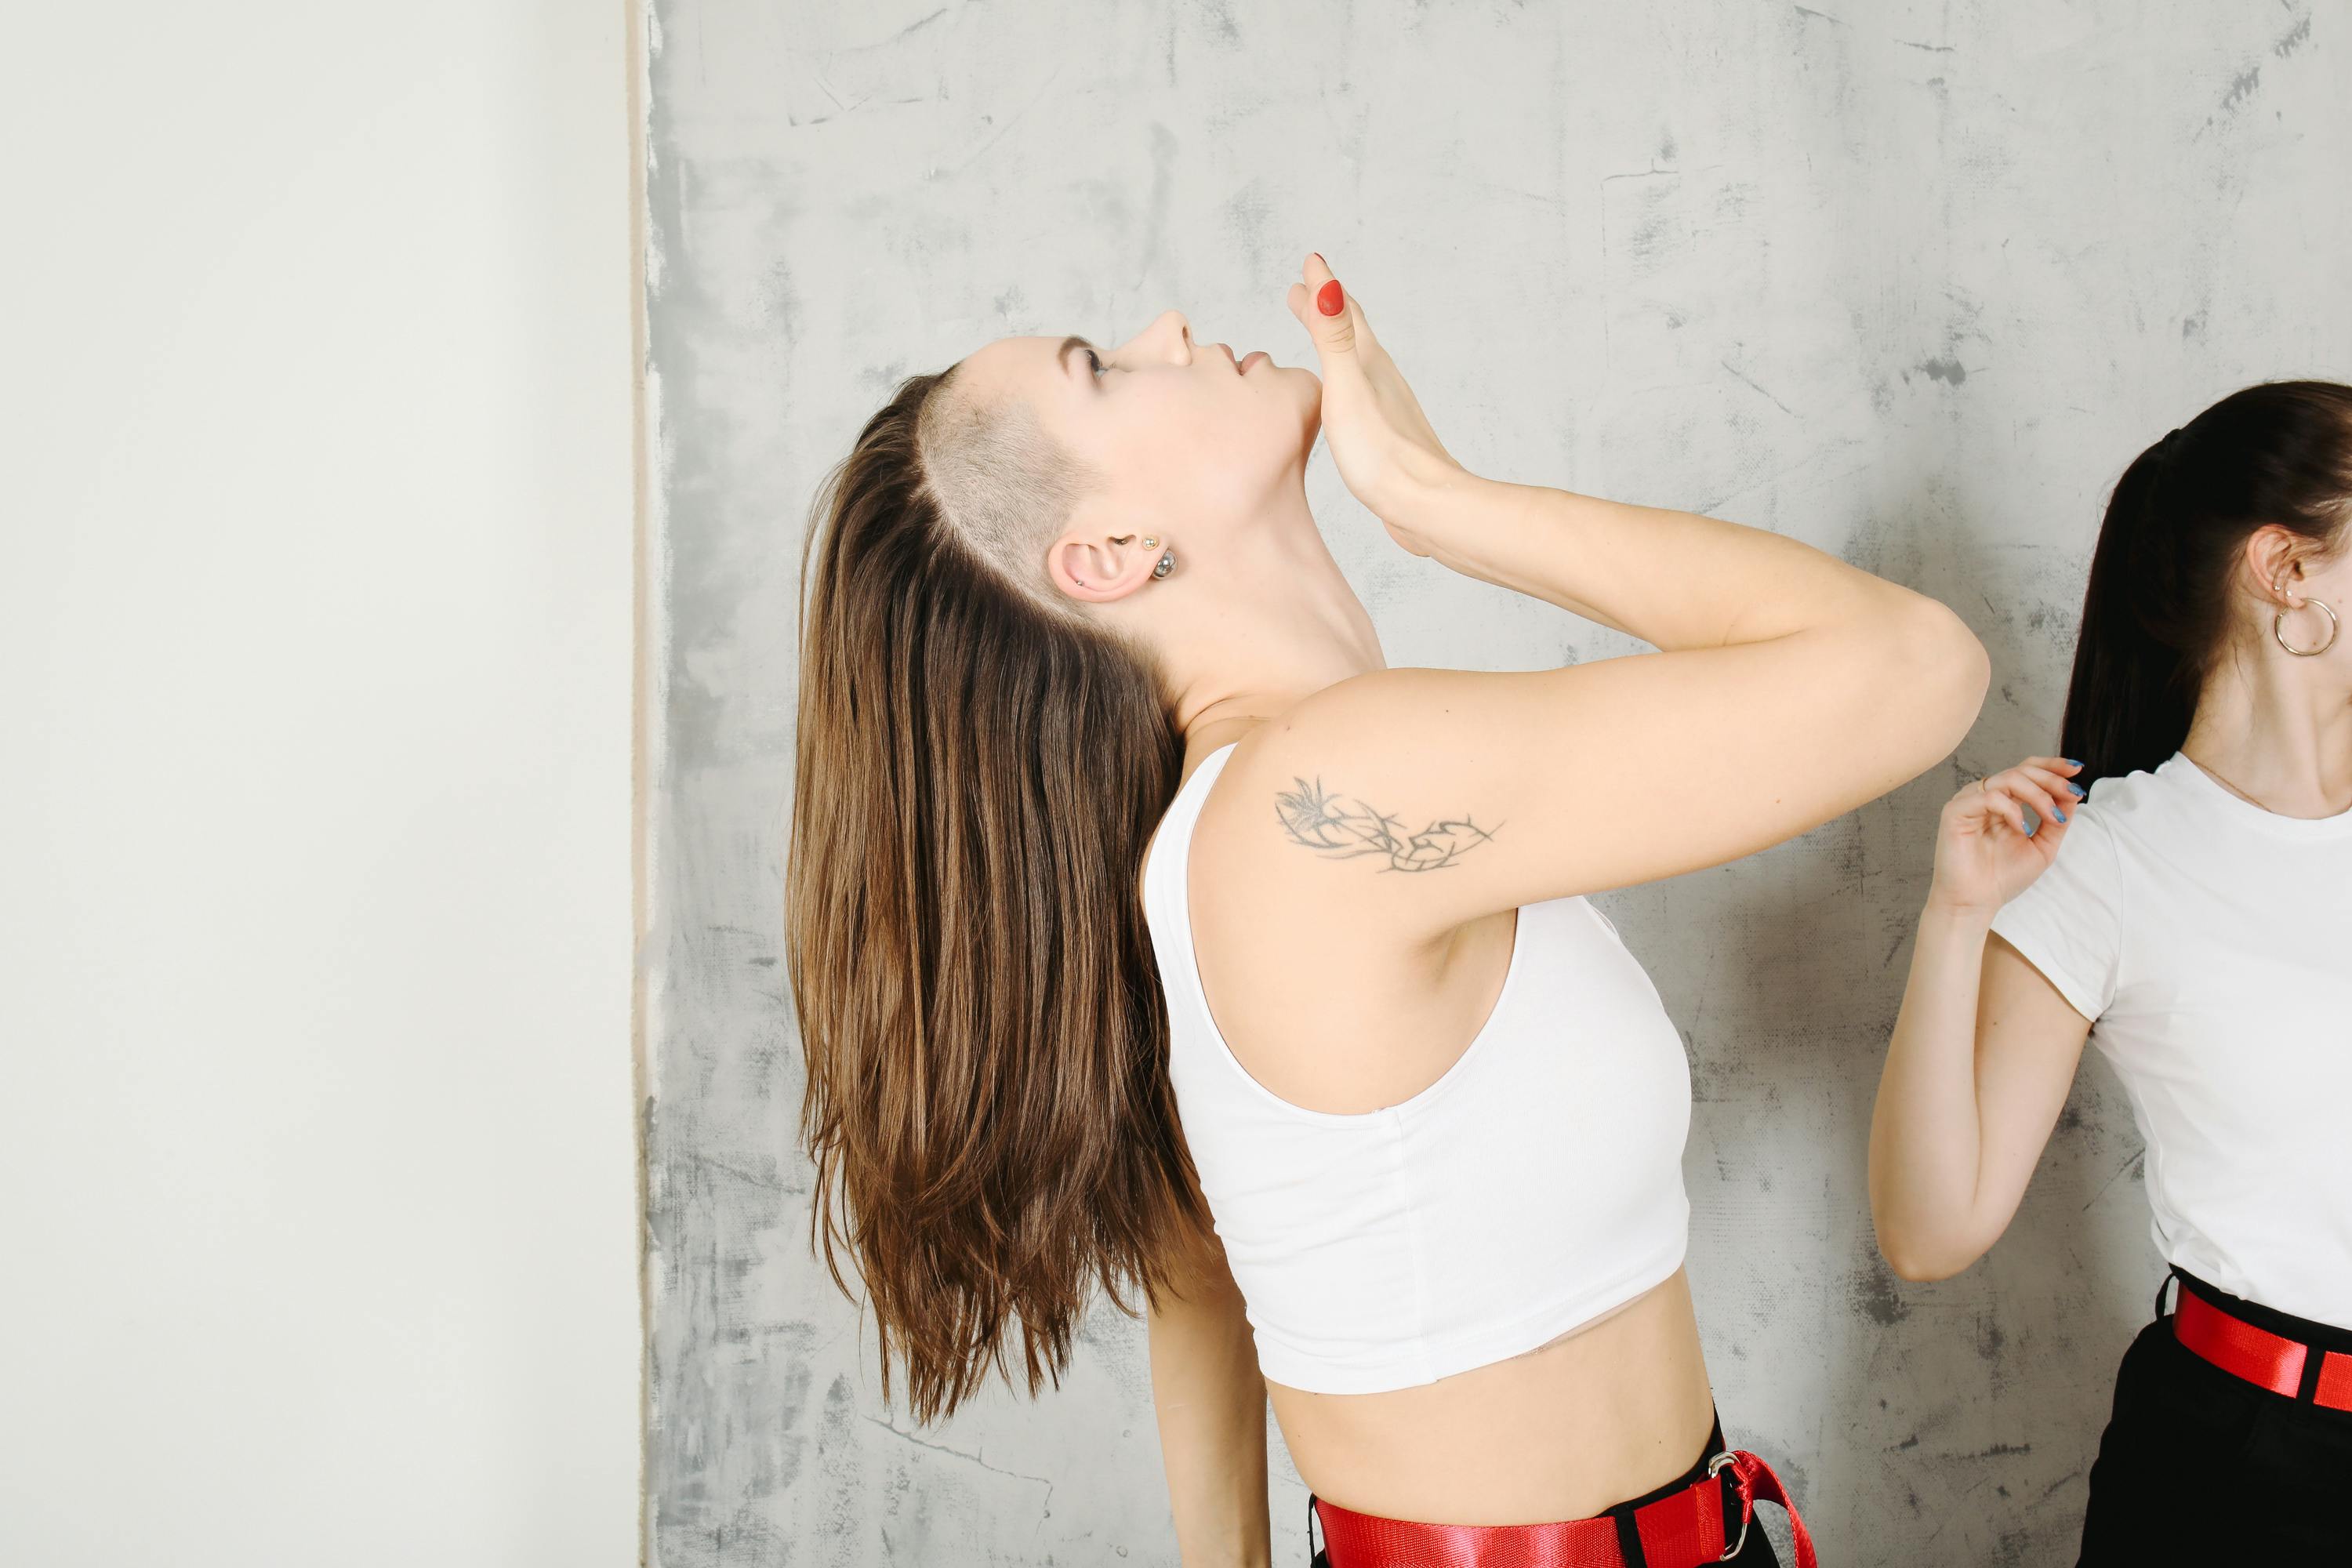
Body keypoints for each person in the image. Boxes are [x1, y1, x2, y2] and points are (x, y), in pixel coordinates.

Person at [789, 252, 1987, 1566]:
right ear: (1111, 554)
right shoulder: (1321, 795)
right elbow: (1918, 668)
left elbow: (1198, 1253)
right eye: (1103, 367)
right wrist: (1433, 499)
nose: (1167, 328)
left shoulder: (1232, 822)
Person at [1867, 382, 2352, 1563]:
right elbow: (1931, 1233)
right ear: (2289, 569)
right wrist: (1954, 922)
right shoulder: (2106, 865)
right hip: (2253, 1475)